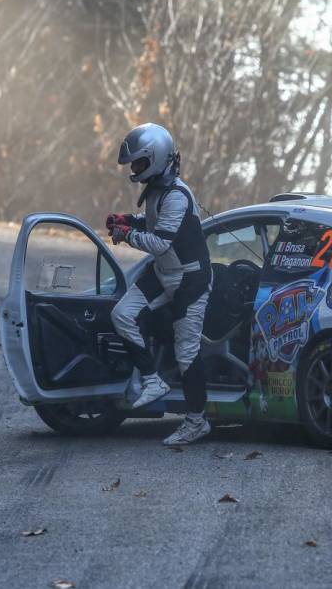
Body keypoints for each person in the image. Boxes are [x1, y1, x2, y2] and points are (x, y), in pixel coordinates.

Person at [106, 123, 213, 446]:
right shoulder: (158, 190)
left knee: (187, 352)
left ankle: (197, 421)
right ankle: (152, 380)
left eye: (139, 162)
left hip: (189, 279)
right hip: (164, 273)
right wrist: (129, 220)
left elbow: (162, 242)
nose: (134, 169)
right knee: (122, 314)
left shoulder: (177, 195)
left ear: (156, 157)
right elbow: (155, 224)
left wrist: (126, 235)